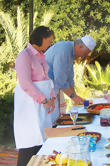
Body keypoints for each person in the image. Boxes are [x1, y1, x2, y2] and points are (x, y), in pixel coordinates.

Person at [14, 26, 55, 166]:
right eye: (49, 41)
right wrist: (44, 99)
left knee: (42, 142)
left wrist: (52, 97)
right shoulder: (24, 56)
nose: (50, 44)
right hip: (29, 106)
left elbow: (46, 79)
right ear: (41, 39)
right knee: (29, 142)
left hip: (41, 104)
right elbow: (25, 82)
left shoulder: (41, 56)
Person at [45, 35, 96, 122]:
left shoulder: (70, 51)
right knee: (50, 118)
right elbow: (60, 80)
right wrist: (73, 97)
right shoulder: (64, 51)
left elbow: (69, 78)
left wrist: (76, 97)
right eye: (85, 53)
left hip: (51, 86)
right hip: (44, 88)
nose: (83, 57)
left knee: (56, 115)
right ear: (80, 46)